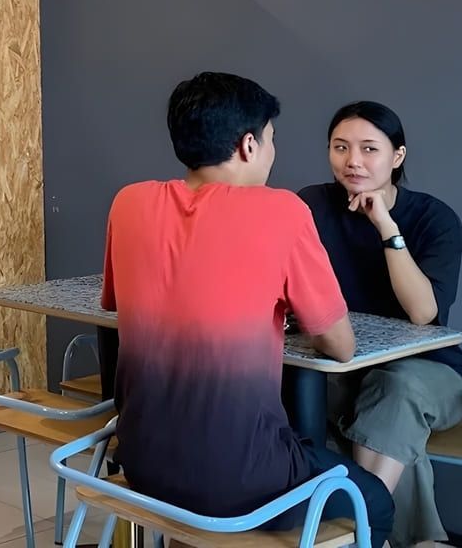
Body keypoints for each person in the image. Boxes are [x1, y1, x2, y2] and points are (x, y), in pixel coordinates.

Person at [102, 72, 393, 545]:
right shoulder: (281, 210)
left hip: (140, 465)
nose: (273, 152)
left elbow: (121, 302)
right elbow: (340, 346)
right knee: (375, 503)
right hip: (242, 482)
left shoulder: (127, 203)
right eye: (272, 139)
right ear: (248, 145)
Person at [300, 101, 462, 548]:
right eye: (340, 147)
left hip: (429, 371)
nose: (353, 161)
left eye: (369, 148)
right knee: (381, 425)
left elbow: (423, 314)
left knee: (393, 391)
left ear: (397, 156)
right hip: (343, 370)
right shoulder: (312, 205)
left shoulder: (434, 219)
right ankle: (423, 541)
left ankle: (366, 535)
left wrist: (385, 226)